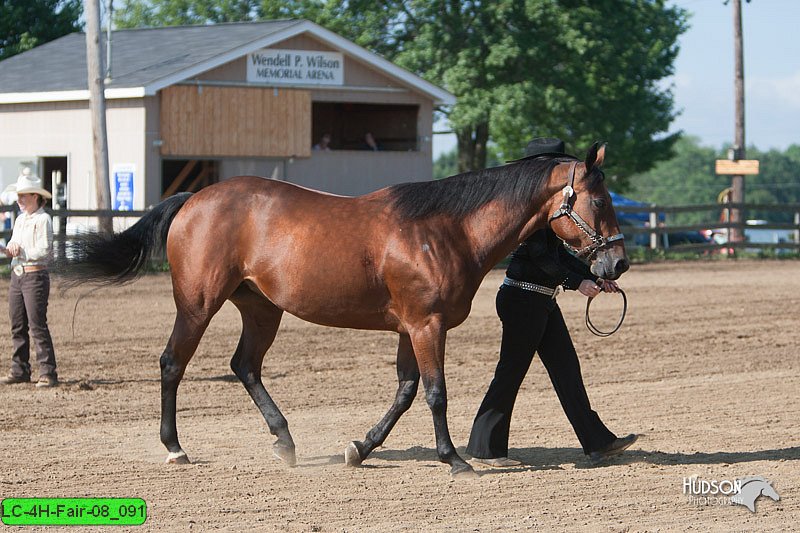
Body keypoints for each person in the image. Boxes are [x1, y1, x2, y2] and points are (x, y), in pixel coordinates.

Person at [466, 138, 637, 467]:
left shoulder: (547, 210)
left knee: (567, 371)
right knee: (510, 374)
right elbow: (542, 258)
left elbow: (558, 254)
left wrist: (595, 276)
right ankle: (485, 449)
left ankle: (597, 442)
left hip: (540, 299)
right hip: (523, 299)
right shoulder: (524, 210)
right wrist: (578, 282)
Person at [0, 168, 58, 387]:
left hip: (35, 276)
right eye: (18, 196)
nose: (19, 200)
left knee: (36, 324)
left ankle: (48, 372)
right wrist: (9, 249)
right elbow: (15, 246)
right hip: (18, 275)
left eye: (23, 195)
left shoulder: (44, 220)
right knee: (17, 324)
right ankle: (20, 369)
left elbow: (45, 251)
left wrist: (20, 251)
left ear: (35, 196)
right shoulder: (21, 221)